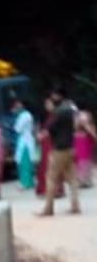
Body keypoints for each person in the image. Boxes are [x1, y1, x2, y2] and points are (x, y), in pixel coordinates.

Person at [41, 86, 80, 216]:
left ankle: (49, 208)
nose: (52, 98)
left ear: (59, 96)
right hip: (70, 146)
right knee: (72, 178)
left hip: (59, 148)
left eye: (54, 96)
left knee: (51, 178)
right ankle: (75, 206)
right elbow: (75, 126)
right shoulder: (71, 109)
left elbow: (50, 128)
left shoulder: (59, 112)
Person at [12, 99, 37, 191]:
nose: (16, 107)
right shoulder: (24, 115)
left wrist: (15, 119)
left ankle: (26, 183)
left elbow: (17, 129)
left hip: (25, 141)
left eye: (18, 105)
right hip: (23, 140)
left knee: (24, 163)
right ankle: (28, 182)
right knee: (24, 163)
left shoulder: (24, 116)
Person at [36, 97, 56, 198]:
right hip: (45, 144)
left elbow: (52, 130)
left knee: (50, 166)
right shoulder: (48, 116)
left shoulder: (56, 116)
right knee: (44, 165)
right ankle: (46, 189)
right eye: (46, 104)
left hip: (51, 143)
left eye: (49, 104)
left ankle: (53, 190)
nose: (47, 106)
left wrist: (43, 134)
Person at [76, 110, 96, 190]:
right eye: (81, 118)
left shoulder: (90, 127)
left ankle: (87, 181)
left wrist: (88, 128)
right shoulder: (76, 128)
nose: (82, 120)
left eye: (84, 118)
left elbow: (94, 137)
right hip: (77, 152)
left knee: (85, 165)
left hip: (86, 152)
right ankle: (81, 181)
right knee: (79, 166)